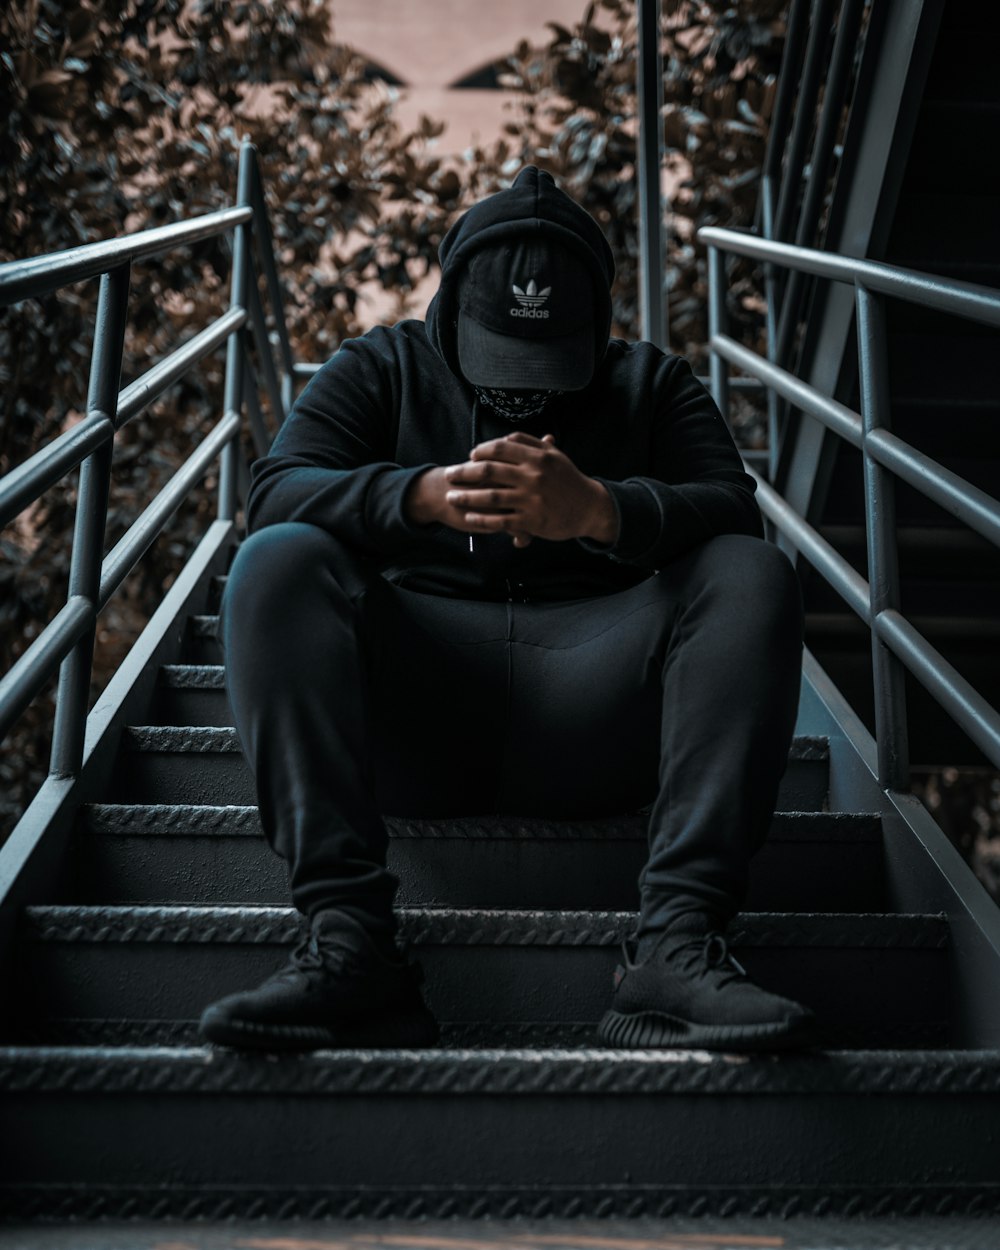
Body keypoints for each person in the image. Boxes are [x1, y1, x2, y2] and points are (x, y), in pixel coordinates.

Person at [198, 165, 817, 1053]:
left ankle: (672, 949)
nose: (526, 391)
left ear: (598, 325)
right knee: (276, 558)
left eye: (551, 363)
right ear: (448, 305)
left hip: (596, 716)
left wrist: (602, 511)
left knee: (753, 573)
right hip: (420, 713)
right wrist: (418, 498)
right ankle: (352, 945)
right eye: (499, 352)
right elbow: (277, 494)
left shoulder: (653, 384)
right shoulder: (381, 365)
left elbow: (732, 512)